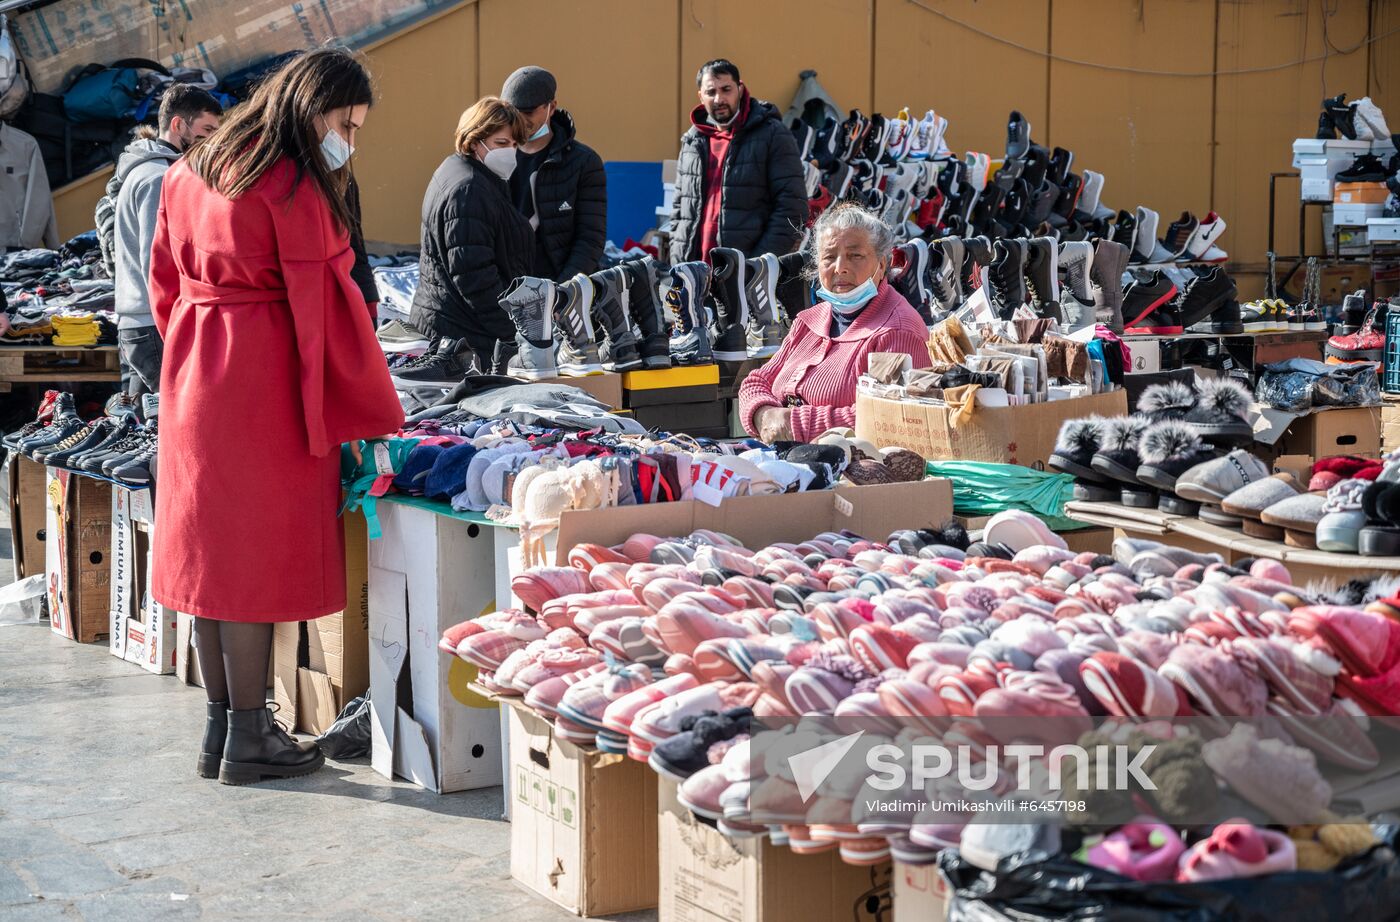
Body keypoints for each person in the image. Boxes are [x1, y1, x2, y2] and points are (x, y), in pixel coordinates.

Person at [147, 48, 404, 785]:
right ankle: (252, 738)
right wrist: (364, 403)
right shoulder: (289, 185)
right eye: (346, 123)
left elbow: (164, 287)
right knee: (254, 561)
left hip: (195, 372)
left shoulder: (188, 168)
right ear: (312, 105)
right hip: (264, 378)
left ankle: (223, 730)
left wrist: (197, 351)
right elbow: (329, 301)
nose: (349, 141)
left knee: (208, 560)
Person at [738, 202, 931, 444]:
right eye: (829, 257)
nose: (840, 268)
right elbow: (757, 381)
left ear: (882, 265)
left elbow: (895, 417)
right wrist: (765, 415)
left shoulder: (898, 329)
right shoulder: (810, 320)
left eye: (855, 256)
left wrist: (793, 423)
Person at [399, 97, 533, 383]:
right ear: (475, 141)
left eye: (513, 144)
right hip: (461, 342)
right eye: (501, 143)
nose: (510, 152)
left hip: (454, 331)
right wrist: (516, 333)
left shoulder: (467, 175)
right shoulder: (469, 189)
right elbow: (475, 278)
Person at [109, 84, 223, 397]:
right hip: (154, 324)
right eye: (207, 129)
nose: (212, 139)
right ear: (177, 124)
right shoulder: (158, 176)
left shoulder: (146, 168)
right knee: (173, 422)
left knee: (145, 427)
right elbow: (156, 260)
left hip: (140, 322)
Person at [668, 59, 806, 267]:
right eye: (711, 92)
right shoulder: (692, 141)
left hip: (745, 276)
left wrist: (757, 265)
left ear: (740, 89)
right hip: (694, 273)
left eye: (726, 89)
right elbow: (680, 207)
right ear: (700, 96)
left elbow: (792, 208)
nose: (719, 99)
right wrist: (677, 256)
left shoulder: (772, 134)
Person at [499, 65, 606, 282]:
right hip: (504, 286)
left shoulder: (583, 162)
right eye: (512, 112)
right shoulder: (493, 157)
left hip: (558, 286)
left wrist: (563, 292)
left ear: (552, 107)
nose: (519, 120)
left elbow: (590, 239)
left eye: (528, 112)